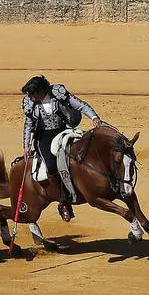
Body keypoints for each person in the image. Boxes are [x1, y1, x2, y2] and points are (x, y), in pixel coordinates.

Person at [20, 75, 102, 222]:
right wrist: (26, 145)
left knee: (81, 154)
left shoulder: (58, 94)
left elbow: (80, 105)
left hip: (63, 130)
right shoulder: (30, 103)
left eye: (33, 94)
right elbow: (28, 125)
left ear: (41, 91)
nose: (30, 97)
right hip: (44, 137)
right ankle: (63, 202)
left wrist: (94, 117)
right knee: (51, 166)